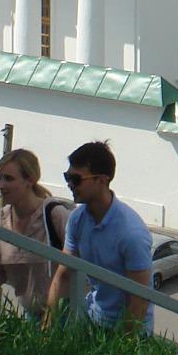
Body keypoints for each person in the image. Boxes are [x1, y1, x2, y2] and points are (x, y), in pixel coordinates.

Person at [44, 141, 153, 332]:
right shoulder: (77, 219)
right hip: (94, 318)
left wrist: (123, 348)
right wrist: (46, 328)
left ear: (102, 180)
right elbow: (63, 275)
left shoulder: (131, 232)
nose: (70, 184)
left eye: (76, 179)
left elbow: (139, 300)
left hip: (129, 329)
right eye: (67, 177)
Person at [0, 148, 68, 319]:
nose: (0, 185)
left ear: (30, 180)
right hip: (32, 314)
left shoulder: (54, 215)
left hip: (64, 315)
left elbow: (80, 267)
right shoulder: (1, 219)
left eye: (9, 179)